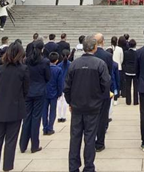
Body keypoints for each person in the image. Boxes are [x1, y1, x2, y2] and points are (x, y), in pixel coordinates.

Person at [65, 35, 110, 172]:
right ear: (95, 47)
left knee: (75, 138)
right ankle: (89, 167)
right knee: (90, 138)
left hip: (77, 107)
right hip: (93, 107)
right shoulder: (100, 64)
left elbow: (67, 87)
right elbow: (106, 85)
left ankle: (73, 167)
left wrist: (70, 102)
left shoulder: (74, 64)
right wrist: (100, 100)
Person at [0, 42, 29, 172]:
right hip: (15, 108)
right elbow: (25, 90)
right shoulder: (23, 69)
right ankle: (7, 167)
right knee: (11, 141)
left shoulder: (0, 69)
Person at [20, 39, 50, 154]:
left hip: (27, 91)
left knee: (26, 117)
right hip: (39, 91)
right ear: (42, 49)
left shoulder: (26, 60)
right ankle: (34, 145)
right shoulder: (44, 61)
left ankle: (23, 145)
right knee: (36, 118)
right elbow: (48, 77)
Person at [93, 33, 113, 152]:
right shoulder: (107, 55)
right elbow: (109, 74)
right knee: (102, 117)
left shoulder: (90, 55)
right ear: (103, 42)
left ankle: (90, 140)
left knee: (91, 117)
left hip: (91, 90)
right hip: (104, 90)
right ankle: (100, 143)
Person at [43, 52, 65, 135]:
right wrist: (60, 93)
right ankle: (50, 127)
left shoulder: (45, 68)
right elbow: (60, 83)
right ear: (57, 60)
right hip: (54, 92)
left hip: (44, 92)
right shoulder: (58, 69)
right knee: (52, 111)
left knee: (44, 111)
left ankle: (45, 127)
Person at [122, 39, 138, 105]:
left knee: (128, 87)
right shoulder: (137, 53)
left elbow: (124, 61)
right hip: (135, 71)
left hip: (128, 71)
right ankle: (135, 101)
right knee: (136, 87)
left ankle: (128, 101)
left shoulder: (126, 52)